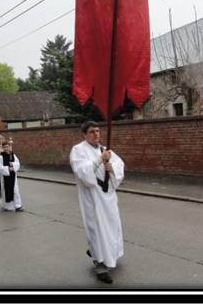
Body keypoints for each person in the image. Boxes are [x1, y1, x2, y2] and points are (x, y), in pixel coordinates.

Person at [69, 121, 125, 284]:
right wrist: (100, 160)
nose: (96, 134)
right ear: (84, 134)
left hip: (108, 197)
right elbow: (82, 172)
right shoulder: (78, 150)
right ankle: (99, 265)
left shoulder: (104, 149)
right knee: (96, 230)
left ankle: (108, 255)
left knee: (112, 227)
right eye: (92, 132)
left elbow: (120, 165)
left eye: (98, 131)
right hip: (92, 199)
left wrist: (111, 168)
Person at [0, 141, 23, 212]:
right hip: (5, 176)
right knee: (5, 191)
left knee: (15, 191)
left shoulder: (12, 154)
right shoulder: (1, 156)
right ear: (2, 148)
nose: (6, 148)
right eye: (4, 147)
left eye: (7, 147)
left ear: (9, 147)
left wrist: (13, 164)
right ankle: (6, 206)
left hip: (13, 176)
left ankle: (18, 206)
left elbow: (18, 163)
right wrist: (7, 168)